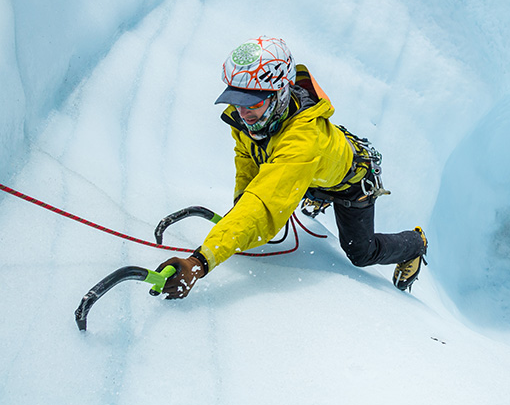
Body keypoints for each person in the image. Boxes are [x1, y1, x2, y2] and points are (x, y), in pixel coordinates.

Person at [157, 36, 427, 299]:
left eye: (253, 103)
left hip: (350, 186)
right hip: (311, 177)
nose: (243, 112)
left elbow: (263, 205)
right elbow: (247, 157)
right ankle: (315, 198)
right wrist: (240, 207)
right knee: (288, 188)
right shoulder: (253, 120)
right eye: (237, 101)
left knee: (361, 253)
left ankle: (415, 245)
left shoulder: (301, 142)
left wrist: (200, 262)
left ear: (280, 95)